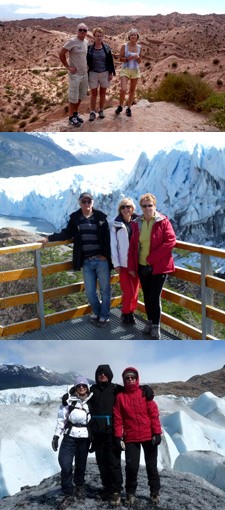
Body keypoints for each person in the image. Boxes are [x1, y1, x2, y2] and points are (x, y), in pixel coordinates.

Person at [41, 192, 112, 327]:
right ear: (79, 203)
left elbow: (108, 238)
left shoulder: (101, 217)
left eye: (89, 201)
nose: (86, 204)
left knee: (105, 290)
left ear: (92, 203)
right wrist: (49, 238)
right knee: (90, 292)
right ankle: (97, 313)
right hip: (86, 261)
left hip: (101, 260)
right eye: (83, 201)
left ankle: (104, 316)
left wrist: (106, 256)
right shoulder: (75, 218)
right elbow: (66, 233)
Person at [128, 193, 176, 339]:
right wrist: (132, 266)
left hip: (159, 267)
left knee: (154, 297)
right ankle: (149, 322)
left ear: (154, 206)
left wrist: (152, 258)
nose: (147, 208)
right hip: (142, 267)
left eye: (150, 205)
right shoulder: (137, 223)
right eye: (144, 205)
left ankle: (156, 326)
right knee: (147, 297)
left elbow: (171, 241)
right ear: (141, 207)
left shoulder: (163, 221)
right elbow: (133, 247)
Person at [113, 367, 162, 507]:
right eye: (127, 378)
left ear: (136, 378)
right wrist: (118, 437)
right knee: (131, 467)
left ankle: (154, 492)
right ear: (124, 380)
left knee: (151, 466)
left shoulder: (145, 393)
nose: (130, 380)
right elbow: (118, 419)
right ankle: (130, 492)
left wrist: (157, 433)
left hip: (148, 435)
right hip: (131, 437)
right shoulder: (120, 397)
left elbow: (153, 414)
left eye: (132, 377)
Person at [51, 376, 93, 508]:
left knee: (81, 465)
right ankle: (68, 493)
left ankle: (79, 486)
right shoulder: (68, 402)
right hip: (69, 437)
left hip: (85, 438)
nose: (81, 387)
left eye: (84, 385)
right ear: (75, 387)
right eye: (79, 385)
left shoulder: (91, 401)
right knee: (65, 464)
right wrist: (56, 436)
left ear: (87, 388)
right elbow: (61, 420)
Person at [110, 197, 139, 324]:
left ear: (133, 208)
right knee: (128, 291)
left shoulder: (139, 222)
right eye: (123, 207)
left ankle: (131, 313)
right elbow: (113, 245)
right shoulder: (115, 224)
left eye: (128, 207)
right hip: (123, 263)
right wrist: (115, 263)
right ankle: (125, 312)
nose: (126, 209)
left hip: (137, 263)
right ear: (119, 210)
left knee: (136, 291)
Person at [59, 23, 89, 127]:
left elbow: (85, 57)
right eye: (80, 30)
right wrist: (68, 66)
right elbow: (61, 53)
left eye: (84, 30)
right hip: (75, 75)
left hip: (84, 74)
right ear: (77, 30)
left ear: (86, 32)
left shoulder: (86, 42)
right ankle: (71, 117)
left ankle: (75, 114)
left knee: (80, 96)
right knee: (73, 97)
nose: (82, 32)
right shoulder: (72, 41)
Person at [87, 27, 115, 121]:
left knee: (103, 93)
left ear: (103, 37)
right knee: (93, 93)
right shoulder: (90, 48)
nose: (99, 38)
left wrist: (111, 73)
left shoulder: (106, 47)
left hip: (104, 73)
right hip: (93, 73)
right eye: (97, 36)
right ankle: (92, 112)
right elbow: (86, 61)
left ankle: (101, 110)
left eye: (100, 36)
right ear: (93, 37)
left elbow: (110, 61)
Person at [115, 28, 142, 118]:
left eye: (135, 35)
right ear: (129, 37)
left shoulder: (139, 48)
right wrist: (127, 59)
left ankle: (129, 108)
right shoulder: (124, 46)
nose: (133, 36)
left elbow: (140, 61)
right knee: (123, 89)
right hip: (125, 69)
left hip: (135, 70)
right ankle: (120, 105)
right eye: (132, 35)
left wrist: (138, 59)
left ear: (137, 37)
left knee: (132, 90)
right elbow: (120, 58)